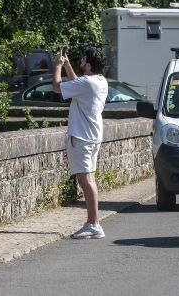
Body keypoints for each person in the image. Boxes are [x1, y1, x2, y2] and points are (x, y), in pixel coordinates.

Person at [52, 45, 109, 239]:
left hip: (82, 137)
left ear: (88, 64)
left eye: (83, 58)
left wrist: (58, 65)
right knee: (88, 179)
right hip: (92, 135)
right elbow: (77, 84)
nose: (80, 59)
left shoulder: (87, 83)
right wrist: (68, 64)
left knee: (86, 181)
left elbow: (57, 87)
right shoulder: (99, 81)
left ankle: (93, 223)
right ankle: (93, 222)